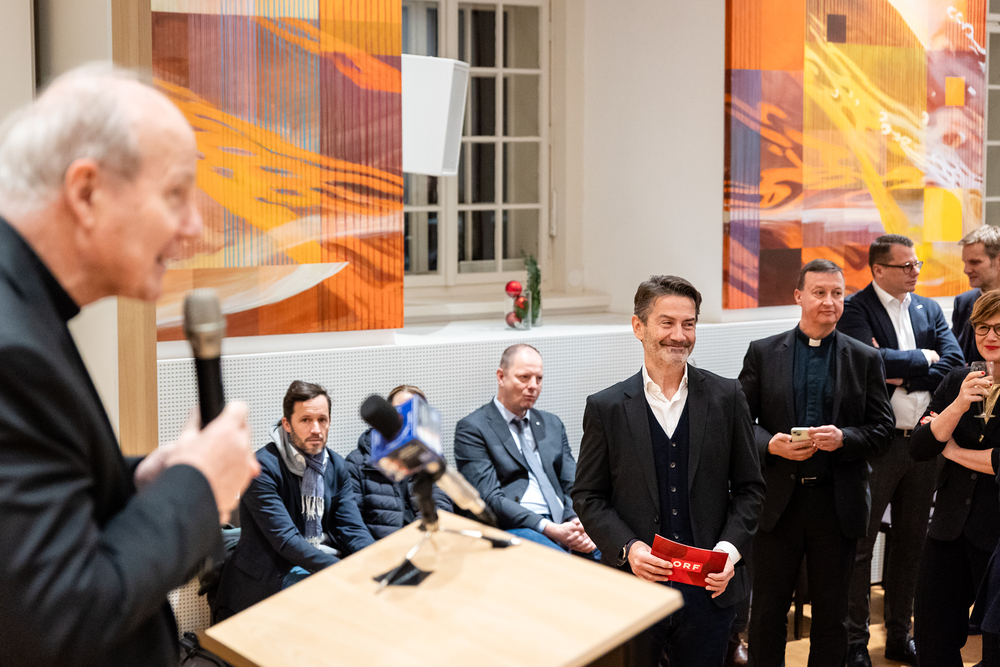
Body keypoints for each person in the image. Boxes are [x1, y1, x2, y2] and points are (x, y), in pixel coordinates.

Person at [0, 65, 260, 667]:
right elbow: (61, 616)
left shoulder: (26, 308)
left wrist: (147, 480)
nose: (195, 227)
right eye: (175, 194)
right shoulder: (11, 349)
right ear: (87, 193)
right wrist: (197, 484)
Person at [573, 275, 765, 667]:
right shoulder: (606, 407)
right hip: (634, 590)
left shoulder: (728, 397)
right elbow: (588, 496)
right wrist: (630, 548)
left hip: (710, 591)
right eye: (667, 323)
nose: (679, 335)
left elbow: (751, 490)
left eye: (688, 324)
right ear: (638, 326)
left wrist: (728, 553)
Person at [738, 259, 894, 667]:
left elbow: (882, 431)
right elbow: (738, 425)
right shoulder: (763, 352)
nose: (829, 301)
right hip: (778, 503)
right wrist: (771, 444)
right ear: (799, 296)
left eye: (837, 293)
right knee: (767, 611)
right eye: (820, 292)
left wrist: (844, 438)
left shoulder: (864, 357)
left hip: (836, 504)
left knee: (832, 615)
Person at [838, 235, 964, 667]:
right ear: (878, 270)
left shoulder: (928, 308)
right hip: (880, 444)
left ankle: (899, 635)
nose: (915, 271)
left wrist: (903, 372)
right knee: (861, 545)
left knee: (913, 544)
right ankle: (855, 642)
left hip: (925, 444)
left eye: (917, 264)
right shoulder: (856, 309)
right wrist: (922, 360)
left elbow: (954, 364)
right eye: (905, 265)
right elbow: (867, 363)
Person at [214, 381, 374, 620]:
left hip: (319, 560)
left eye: (322, 420)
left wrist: (377, 559)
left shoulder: (335, 465)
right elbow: (286, 540)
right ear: (287, 424)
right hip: (272, 572)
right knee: (338, 604)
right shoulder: (260, 469)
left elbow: (351, 528)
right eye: (306, 420)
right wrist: (341, 570)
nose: (316, 429)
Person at [910, 289, 1000, 667]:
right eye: (982, 328)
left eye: (999, 328)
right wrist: (960, 403)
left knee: (995, 645)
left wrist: (954, 452)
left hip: (995, 534)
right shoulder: (958, 380)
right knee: (932, 637)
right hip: (948, 528)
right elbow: (920, 446)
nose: (989, 336)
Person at [454, 344, 597, 555]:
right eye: (524, 377)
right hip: (519, 526)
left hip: (565, 520)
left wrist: (575, 520)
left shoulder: (552, 424)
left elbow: (573, 483)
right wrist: (550, 528)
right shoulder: (473, 428)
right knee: (563, 562)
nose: (533, 386)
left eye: (539, 379)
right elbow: (489, 498)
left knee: (615, 553)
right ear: (501, 377)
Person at [347, 384, 452, 539]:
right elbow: (352, 524)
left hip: (424, 542)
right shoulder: (357, 463)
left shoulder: (432, 457)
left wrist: (412, 541)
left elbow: (441, 506)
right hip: (379, 549)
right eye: (400, 411)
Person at [954, 225, 1000, 364]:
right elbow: (955, 357)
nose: (966, 270)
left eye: (975, 262)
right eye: (965, 262)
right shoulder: (963, 302)